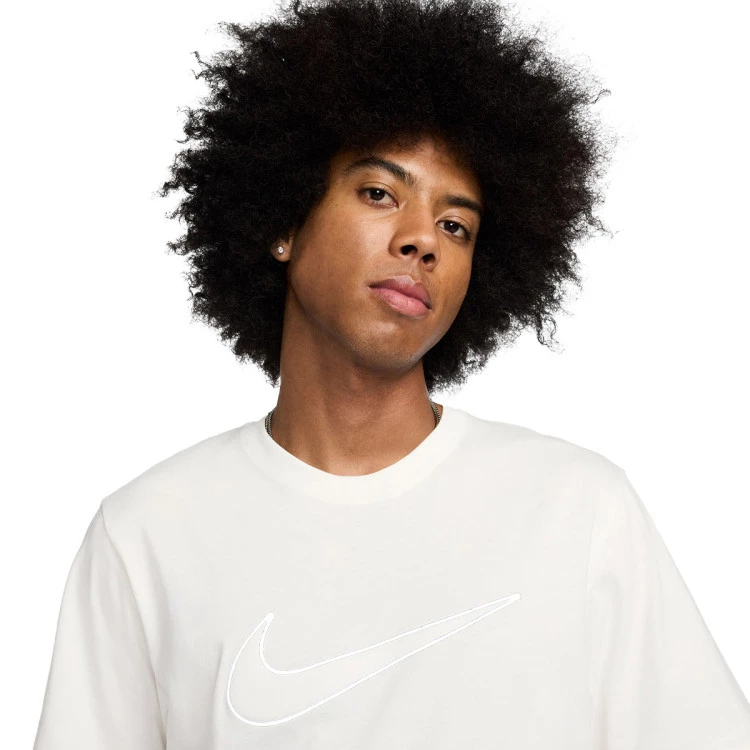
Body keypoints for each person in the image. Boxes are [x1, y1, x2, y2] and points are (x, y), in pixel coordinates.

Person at [33, 0, 750, 747]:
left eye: (455, 225)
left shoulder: (578, 509)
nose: (422, 241)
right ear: (283, 221)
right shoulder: (148, 533)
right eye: (380, 193)